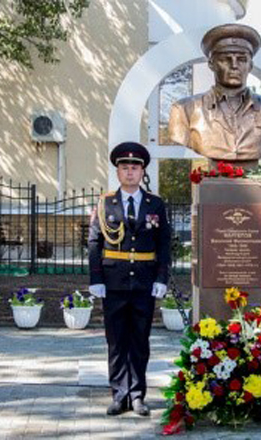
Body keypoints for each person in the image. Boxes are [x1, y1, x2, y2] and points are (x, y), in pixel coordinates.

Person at [88, 141, 171, 417]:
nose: (130, 172)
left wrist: (162, 278)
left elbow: (164, 244)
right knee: (116, 341)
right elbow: (94, 243)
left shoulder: (155, 204)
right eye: (125, 167)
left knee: (139, 340)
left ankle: (137, 395)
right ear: (118, 172)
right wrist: (95, 279)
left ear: (142, 170)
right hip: (113, 283)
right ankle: (118, 394)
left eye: (135, 167)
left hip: (144, 283)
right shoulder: (105, 204)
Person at [168, 23, 261, 166]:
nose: (234, 65)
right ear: (211, 64)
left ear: (250, 65)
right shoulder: (184, 110)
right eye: (225, 59)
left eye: (241, 59)